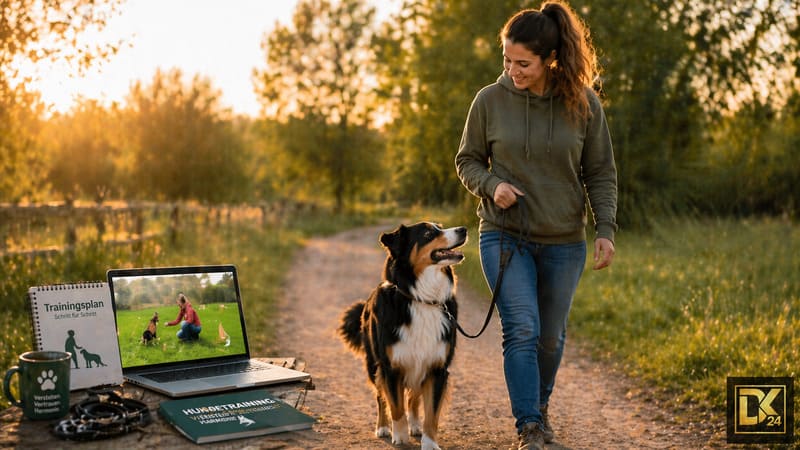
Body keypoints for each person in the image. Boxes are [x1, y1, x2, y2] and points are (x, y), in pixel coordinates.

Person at [455, 2, 617, 449]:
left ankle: (540, 408)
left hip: (565, 240)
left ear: (550, 59)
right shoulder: (489, 100)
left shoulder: (584, 105)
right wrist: (492, 186)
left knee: (550, 336)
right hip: (504, 234)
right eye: (506, 60)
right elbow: (466, 160)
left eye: (522, 63)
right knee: (522, 328)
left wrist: (605, 228)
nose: (512, 70)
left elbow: (600, 172)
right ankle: (528, 425)